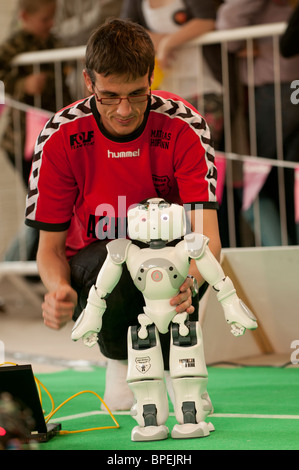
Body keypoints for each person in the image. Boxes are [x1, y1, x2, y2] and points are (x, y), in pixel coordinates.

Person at [25, 18, 221, 410]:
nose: (124, 110)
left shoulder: (183, 124)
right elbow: (48, 249)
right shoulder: (60, 135)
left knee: (180, 256)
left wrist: (193, 283)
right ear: (88, 82)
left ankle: (175, 368)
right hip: (98, 265)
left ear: (151, 78)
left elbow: (208, 237)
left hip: (169, 261)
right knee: (114, 256)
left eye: (137, 93)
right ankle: (119, 365)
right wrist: (57, 289)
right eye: (109, 96)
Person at [217, 0, 299, 246]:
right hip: (282, 90)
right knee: (275, 181)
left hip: (277, 91)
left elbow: (228, 30)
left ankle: (284, 256)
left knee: (260, 184)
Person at [0, 0, 72, 262]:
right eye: (45, 19)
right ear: (24, 17)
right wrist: (22, 85)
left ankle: (26, 262)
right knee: (42, 205)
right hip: (23, 142)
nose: (50, 24)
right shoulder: (14, 45)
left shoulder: (54, 43)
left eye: (52, 18)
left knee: (49, 204)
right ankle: (14, 264)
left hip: (52, 137)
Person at [121, 0, 225, 150]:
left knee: (199, 151)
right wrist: (153, 40)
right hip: (163, 93)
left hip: (204, 88)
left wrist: (168, 43)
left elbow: (207, 20)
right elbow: (125, 28)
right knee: (167, 156)